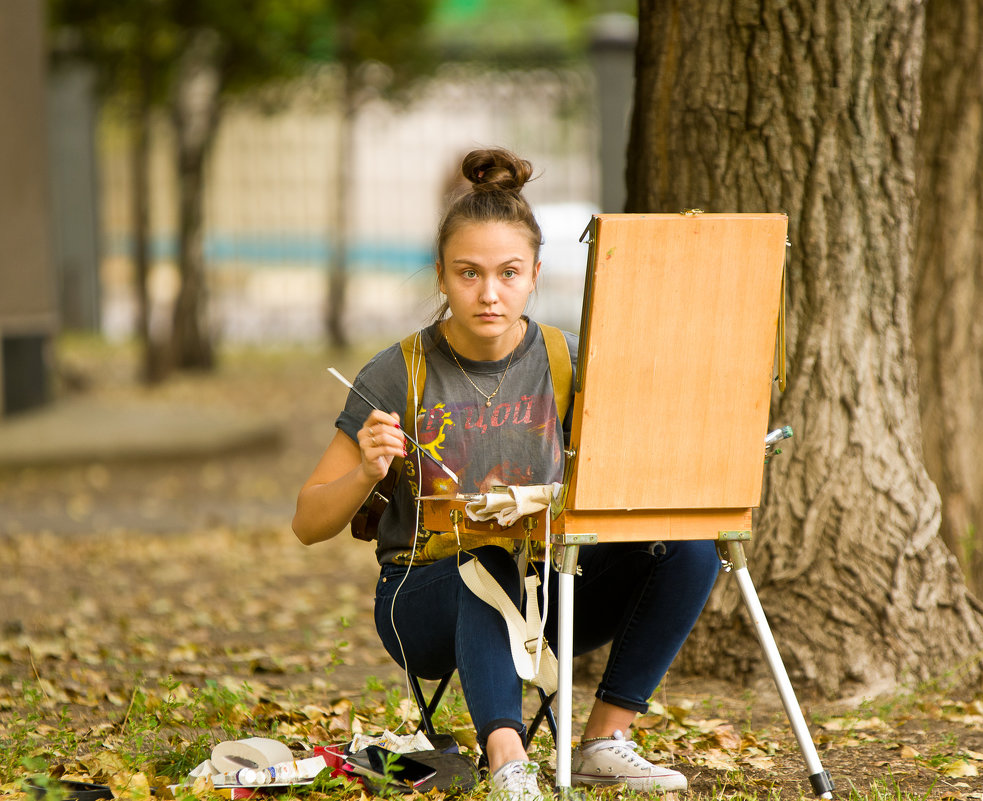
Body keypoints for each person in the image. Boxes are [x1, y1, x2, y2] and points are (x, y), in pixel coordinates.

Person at [292, 147, 720, 799]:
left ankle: (604, 738)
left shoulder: (565, 362)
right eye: (467, 273)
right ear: (440, 275)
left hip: (546, 587)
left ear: (534, 275)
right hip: (420, 597)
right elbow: (307, 520)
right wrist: (367, 471)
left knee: (687, 548)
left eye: (507, 272)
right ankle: (507, 758)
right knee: (484, 560)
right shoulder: (396, 373)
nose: (488, 292)